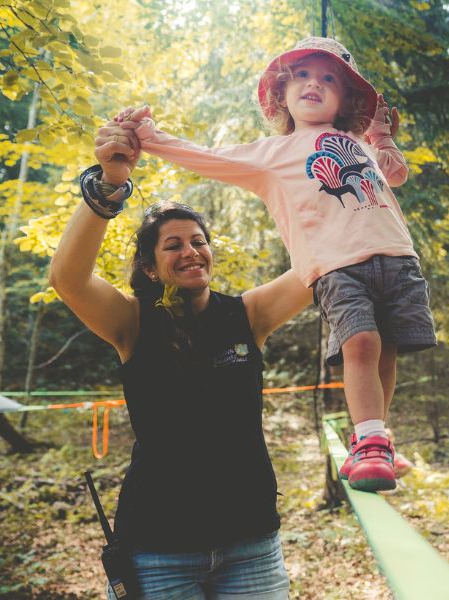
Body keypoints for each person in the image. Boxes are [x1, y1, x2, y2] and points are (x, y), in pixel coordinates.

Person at [112, 36, 436, 493]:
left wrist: (380, 135)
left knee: (387, 351)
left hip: (399, 259)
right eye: (302, 76)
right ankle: (369, 442)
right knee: (360, 344)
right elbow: (208, 158)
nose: (314, 85)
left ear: (344, 99)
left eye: (328, 79)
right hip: (338, 266)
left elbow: (394, 173)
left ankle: (375, 439)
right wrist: (147, 136)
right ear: (282, 94)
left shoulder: (356, 142)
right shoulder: (273, 153)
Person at [50, 119, 312, 599]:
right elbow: (67, 278)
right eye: (173, 245)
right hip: (157, 549)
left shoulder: (248, 315)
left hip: (252, 543)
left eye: (198, 241)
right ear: (150, 267)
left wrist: (337, 175)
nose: (191, 251)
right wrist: (110, 186)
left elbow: (317, 265)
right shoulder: (131, 323)